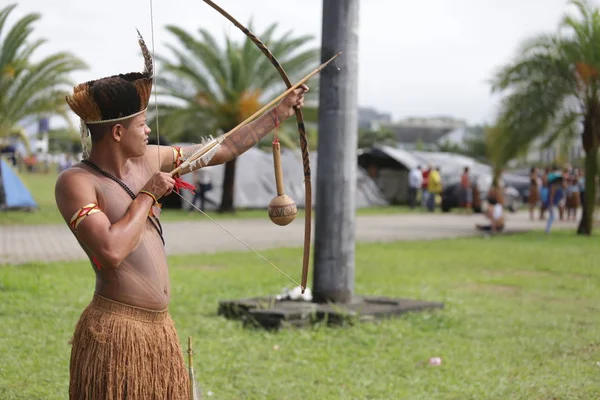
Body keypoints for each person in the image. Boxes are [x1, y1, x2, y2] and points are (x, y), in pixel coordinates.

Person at [54, 32, 308, 400]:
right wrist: (147, 195)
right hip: (115, 331)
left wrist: (278, 113)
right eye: (142, 123)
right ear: (118, 131)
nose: (148, 130)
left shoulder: (150, 158)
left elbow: (221, 149)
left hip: (159, 331)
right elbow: (110, 252)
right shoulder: (75, 182)